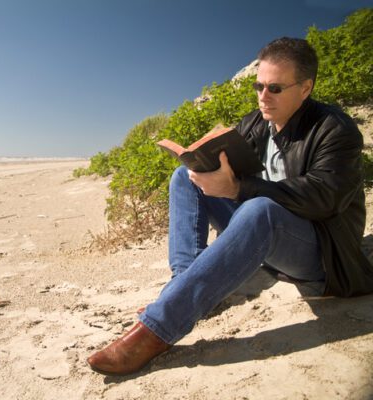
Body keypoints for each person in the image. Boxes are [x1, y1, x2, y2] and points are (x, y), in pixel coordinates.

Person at [86, 37, 373, 376]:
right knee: (184, 177)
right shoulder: (256, 122)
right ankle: (184, 286)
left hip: (321, 252)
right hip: (262, 237)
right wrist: (206, 165)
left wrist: (238, 187)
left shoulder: (334, 129)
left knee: (259, 209)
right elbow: (232, 166)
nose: (263, 97)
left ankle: (157, 330)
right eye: (258, 86)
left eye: (275, 88)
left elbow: (325, 197)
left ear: (306, 87)